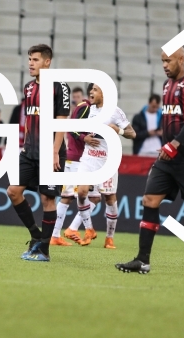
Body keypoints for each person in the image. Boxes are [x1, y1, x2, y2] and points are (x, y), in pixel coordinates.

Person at [116, 47, 184, 277]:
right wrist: (167, 145)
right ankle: (142, 261)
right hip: (167, 157)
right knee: (149, 200)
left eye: (168, 61)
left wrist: (175, 144)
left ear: (181, 59)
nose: (164, 65)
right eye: (162, 61)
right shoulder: (166, 85)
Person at [6, 44, 70, 262]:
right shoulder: (28, 87)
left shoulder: (60, 87)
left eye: (35, 59)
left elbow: (62, 123)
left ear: (47, 61)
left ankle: (44, 250)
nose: (30, 63)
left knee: (47, 199)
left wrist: (54, 151)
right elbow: (30, 119)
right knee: (13, 191)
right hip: (29, 151)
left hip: (51, 151)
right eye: (29, 59)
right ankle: (36, 235)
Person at [65, 83, 136, 249]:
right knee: (81, 193)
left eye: (95, 89)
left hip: (107, 161)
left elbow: (132, 134)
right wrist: (84, 138)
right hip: (88, 158)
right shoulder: (88, 110)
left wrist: (117, 130)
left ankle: (109, 238)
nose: (91, 92)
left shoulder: (115, 112)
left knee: (109, 198)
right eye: (91, 89)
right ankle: (89, 229)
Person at [50, 86, 91, 246]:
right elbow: (72, 128)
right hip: (77, 159)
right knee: (84, 197)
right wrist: (85, 138)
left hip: (75, 158)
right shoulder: (86, 108)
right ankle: (67, 230)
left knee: (72, 197)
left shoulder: (81, 108)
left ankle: (59, 233)